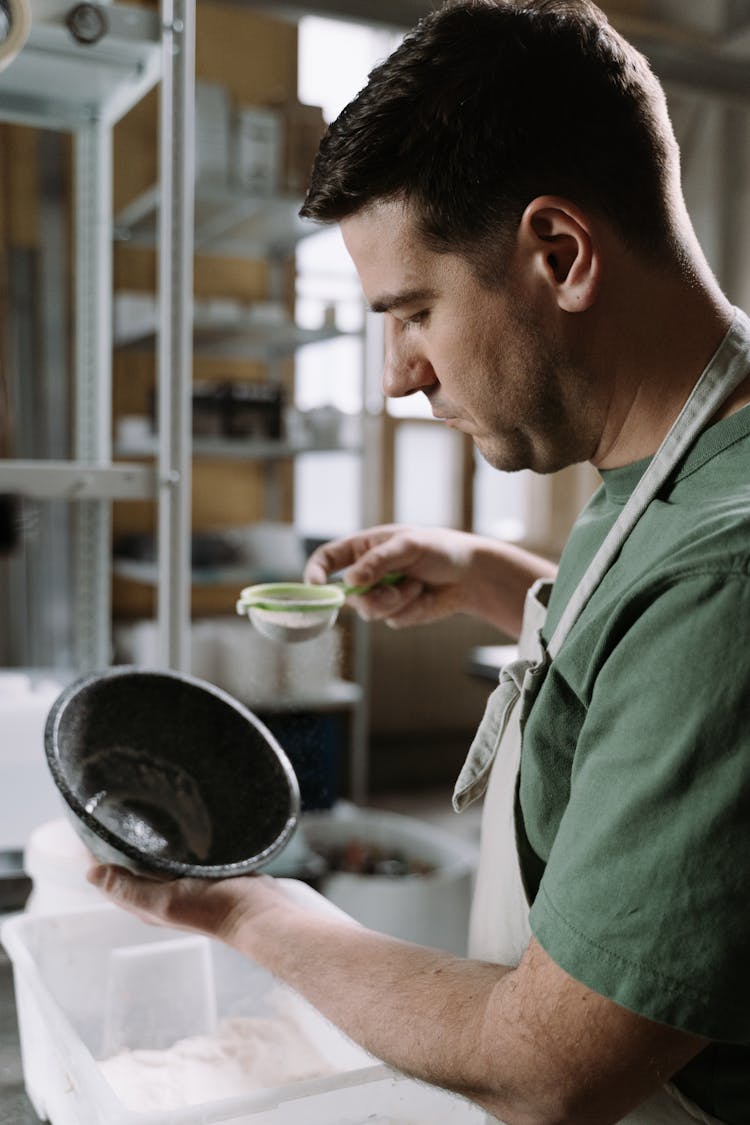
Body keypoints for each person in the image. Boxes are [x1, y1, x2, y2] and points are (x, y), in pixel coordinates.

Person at [88, 2, 750, 1122]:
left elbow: (548, 1067)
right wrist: (490, 576)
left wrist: (257, 912)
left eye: (413, 313)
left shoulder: (723, 578)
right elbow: (640, 631)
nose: (400, 375)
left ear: (560, 253)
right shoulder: (681, 457)